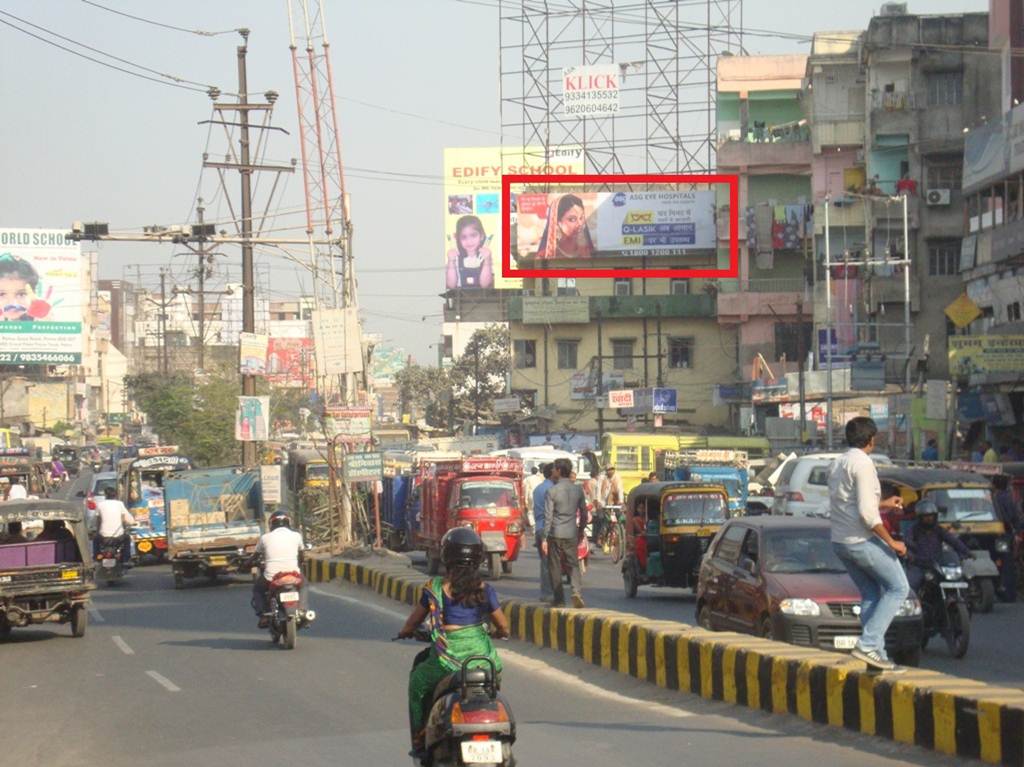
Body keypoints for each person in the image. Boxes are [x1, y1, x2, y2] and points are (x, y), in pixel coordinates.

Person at [399, 528, 509, 758]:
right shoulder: (484, 590)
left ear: (446, 557)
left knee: (418, 683)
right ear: (478, 559)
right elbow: (504, 626)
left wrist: (406, 631)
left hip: (445, 658)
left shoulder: (436, 588)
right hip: (482, 659)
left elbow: (413, 623)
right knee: (493, 681)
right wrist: (497, 633)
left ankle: (420, 737)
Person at [828, 416, 909, 672]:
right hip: (860, 540)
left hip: (840, 542)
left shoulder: (839, 462)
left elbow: (849, 505)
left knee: (872, 594)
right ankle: (868, 644)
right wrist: (892, 541)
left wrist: (885, 503)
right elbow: (867, 515)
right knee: (899, 588)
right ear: (871, 439)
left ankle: (876, 657)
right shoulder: (862, 464)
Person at [542, 458, 588, 608]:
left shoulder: (552, 491)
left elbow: (548, 517)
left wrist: (544, 537)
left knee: (554, 566)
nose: (553, 471)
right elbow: (584, 512)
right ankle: (576, 592)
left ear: (560, 471)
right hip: (571, 532)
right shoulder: (578, 490)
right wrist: (581, 530)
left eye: (554, 469)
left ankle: (559, 599)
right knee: (573, 564)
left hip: (555, 532)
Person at [252, 511, 309, 627]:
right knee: (304, 585)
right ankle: (302, 610)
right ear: (288, 522)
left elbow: (255, 556)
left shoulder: (265, 538)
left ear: (271, 524)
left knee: (257, 590)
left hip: (271, 576)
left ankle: (263, 615)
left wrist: (245, 564)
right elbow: (302, 555)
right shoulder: (296, 535)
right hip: (293, 574)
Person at [904, 500, 971, 593]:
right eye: (926, 517)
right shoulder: (913, 530)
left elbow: (953, 541)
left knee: (959, 579)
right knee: (911, 585)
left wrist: (967, 551)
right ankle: (914, 605)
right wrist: (911, 554)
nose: (929, 519)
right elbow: (907, 543)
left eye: (931, 516)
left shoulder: (938, 530)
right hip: (919, 565)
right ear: (919, 517)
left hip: (937, 565)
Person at [535, 194, 594, 260]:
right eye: (572, 219)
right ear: (557, 222)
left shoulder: (587, 252)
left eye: (581, 218)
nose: (580, 223)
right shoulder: (545, 256)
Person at [993, 475, 1022, 602]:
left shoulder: (998, 498)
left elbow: (1006, 517)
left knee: (1004, 564)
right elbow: (1015, 517)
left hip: (1003, 534)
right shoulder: (1008, 497)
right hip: (1009, 533)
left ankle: (1006, 593)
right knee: (1007, 564)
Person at [445, 215, 493, 289]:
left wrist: (487, 260)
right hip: (460, 298)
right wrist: (451, 261)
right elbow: (451, 285)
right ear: (458, 239)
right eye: (464, 237)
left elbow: (485, 285)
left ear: (482, 236)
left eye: (473, 235)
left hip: (482, 297)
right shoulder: (455, 258)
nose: (469, 241)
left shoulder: (486, 257)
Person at [0, 253, 50, 321]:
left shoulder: (38, 318)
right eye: (2, 294)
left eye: (21, 294)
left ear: (34, 293)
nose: (13, 303)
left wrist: (44, 316)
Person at [531, 463, 555, 600]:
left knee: (545, 562)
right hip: (548, 528)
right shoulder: (552, 489)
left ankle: (547, 592)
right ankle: (548, 593)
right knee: (549, 563)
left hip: (539, 527)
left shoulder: (538, 489)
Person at [95, 487, 135, 562]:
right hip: (118, 536)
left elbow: (97, 520)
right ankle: (126, 559)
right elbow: (128, 519)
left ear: (105, 495)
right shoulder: (120, 504)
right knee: (127, 538)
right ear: (116, 495)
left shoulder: (100, 505)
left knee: (95, 540)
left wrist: (97, 531)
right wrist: (132, 522)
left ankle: (96, 557)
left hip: (103, 536)